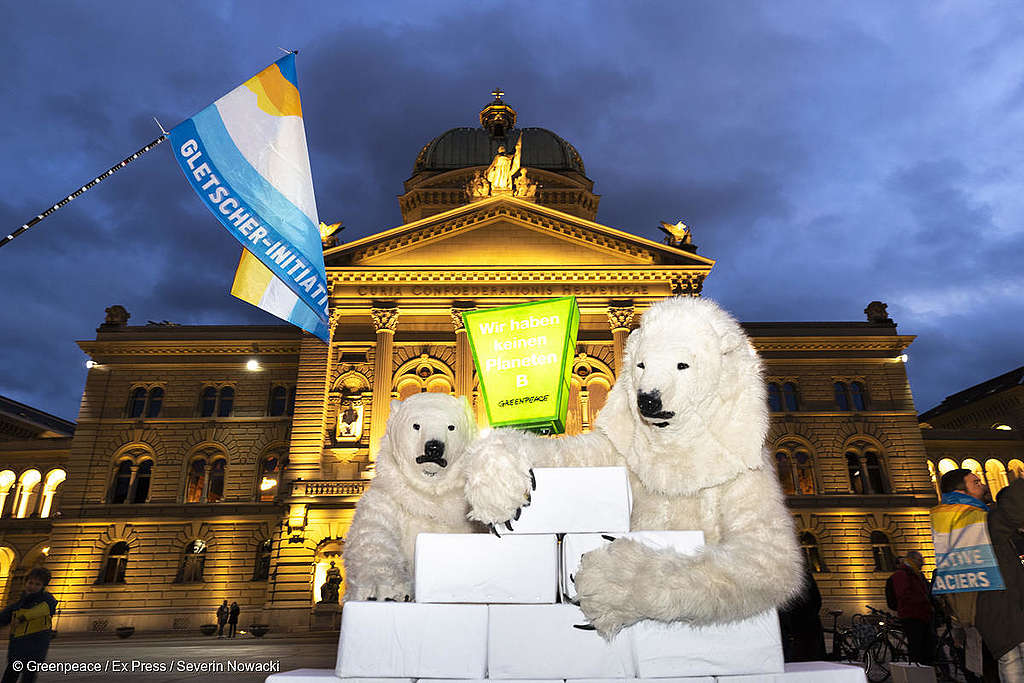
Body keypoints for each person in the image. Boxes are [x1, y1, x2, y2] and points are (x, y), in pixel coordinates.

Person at [931, 468, 1004, 680]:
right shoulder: (972, 520)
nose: (984, 486)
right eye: (976, 483)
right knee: (995, 667)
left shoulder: (977, 517)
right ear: (961, 492)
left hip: (988, 614)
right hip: (984, 615)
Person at [976, 479, 1024, 682]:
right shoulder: (989, 525)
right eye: (975, 482)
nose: (982, 484)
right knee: (1011, 660)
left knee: (1010, 660)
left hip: (1002, 610)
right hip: (1004, 609)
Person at [0, 567, 58, 683]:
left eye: (37, 584)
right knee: (10, 676)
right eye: (30, 582)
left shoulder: (47, 599)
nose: (32, 586)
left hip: (35, 647)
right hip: (17, 647)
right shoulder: (19, 603)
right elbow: (3, 618)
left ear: (43, 586)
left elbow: (42, 610)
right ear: (25, 582)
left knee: (28, 677)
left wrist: (22, 618)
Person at [890, 550, 935, 664]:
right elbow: (904, 595)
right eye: (920, 560)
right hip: (912, 616)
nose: (923, 563)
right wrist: (924, 600)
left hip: (923, 615)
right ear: (911, 560)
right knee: (917, 648)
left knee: (928, 648)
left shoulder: (917, 574)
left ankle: (927, 670)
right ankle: (917, 671)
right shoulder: (901, 575)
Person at [778, 561, 826, 662]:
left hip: (800, 630)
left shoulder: (783, 580)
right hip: (806, 628)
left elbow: (815, 601)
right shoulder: (804, 576)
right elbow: (816, 601)